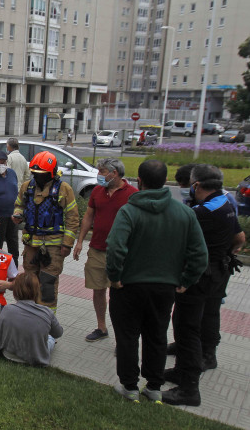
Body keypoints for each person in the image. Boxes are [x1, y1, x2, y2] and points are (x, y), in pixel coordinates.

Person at [106, 159, 208, 404]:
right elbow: (200, 255)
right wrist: (186, 280)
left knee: (127, 337)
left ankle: (129, 387)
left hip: (128, 287)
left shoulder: (129, 212)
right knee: (157, 336)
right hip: (165, 289)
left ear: (139, 181)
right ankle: (153, 387)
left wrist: (115, 276)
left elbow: (115, 248)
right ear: (165, 181)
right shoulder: (184, 213)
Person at [162, 165, 245, 406]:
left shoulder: (202, 212)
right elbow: (239, 238)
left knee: (187, 328)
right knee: (206, 318)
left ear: (196, 185)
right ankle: (191, 365)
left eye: (190, 183)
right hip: (217, 271)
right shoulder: (226, 202)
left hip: (199, 277)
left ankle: (189, 388)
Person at [72, 158, 138, 342]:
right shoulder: (98, 191)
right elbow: (88, 216)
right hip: (97, 248)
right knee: (98, 289)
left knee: (121, 294)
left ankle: (123, 336)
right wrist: (79, 242)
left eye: (102, 172)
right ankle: (101, 327)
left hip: (122, 253)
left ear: (114, 173)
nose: (98, 175)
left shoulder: (132, 194)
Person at [12, 151, 79, 312]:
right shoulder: (27, 187)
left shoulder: (64, 189)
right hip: (31, 244)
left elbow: (73, 218)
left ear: (51, 173)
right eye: (35, 173)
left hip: (54, 246)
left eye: (41, 174)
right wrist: (18, 214)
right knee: (29, 281)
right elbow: (19, 205)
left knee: (47, 283)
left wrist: (67, 244)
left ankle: (47, 322)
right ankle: (29, 314)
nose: (37, 176)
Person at [0, 272, 64, 367]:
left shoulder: (7, 309)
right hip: (36, 358)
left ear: (15, 291)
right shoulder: (47, 312)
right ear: (37, 290)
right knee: (50, 338)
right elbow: (58, 333)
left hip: (8, 354)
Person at [174, 163, 239, 215]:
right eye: (180, 185)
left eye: (185, 185)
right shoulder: (190, 199)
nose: (182, 189)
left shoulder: (225, 200)